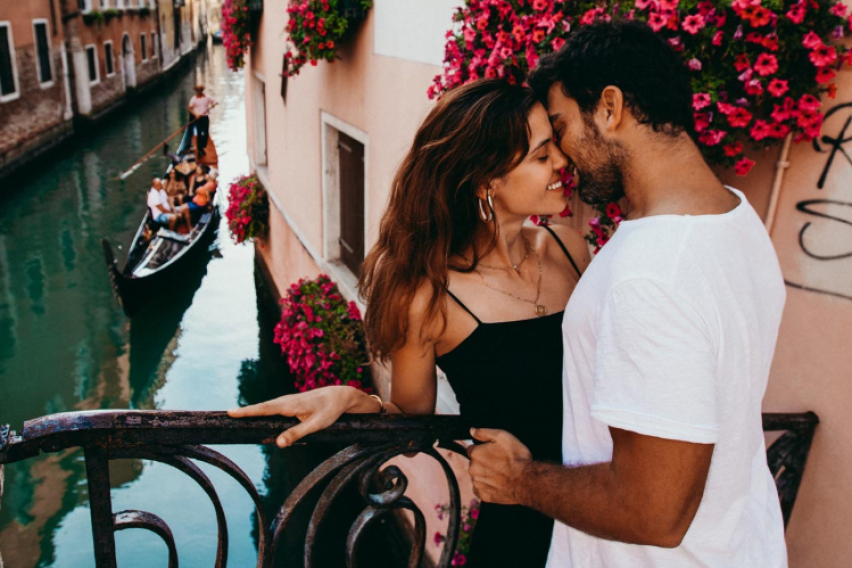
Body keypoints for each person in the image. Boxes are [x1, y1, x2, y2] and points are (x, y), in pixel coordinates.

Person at [228, 79, 591, 567]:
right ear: (487, 181)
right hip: (518, 538)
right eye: (542, 155)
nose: (562, 162)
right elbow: (411, 418)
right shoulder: (429, 299)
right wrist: (357, 401)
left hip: (601, 512)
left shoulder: (570, 248)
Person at [466, 20, 788, 568]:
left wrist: (518, 480)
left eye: (561, 127)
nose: (561, 157)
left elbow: (652, 513)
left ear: (610, 108)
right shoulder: (735, 217)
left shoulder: (651, 272)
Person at [188, 84, 216, 156]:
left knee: (206, 133)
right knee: (199, 133)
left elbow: (213, 102)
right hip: (198, 118)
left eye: (200, 90)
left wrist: (213, 104)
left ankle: (203, 146)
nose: (199, 92)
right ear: (196, 91)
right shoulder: (193, 99)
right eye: (198, 91)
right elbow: (190, 109)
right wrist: (195, 115)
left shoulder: (207, 97)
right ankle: (200, 149)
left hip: (205, 117)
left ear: (202, 90)